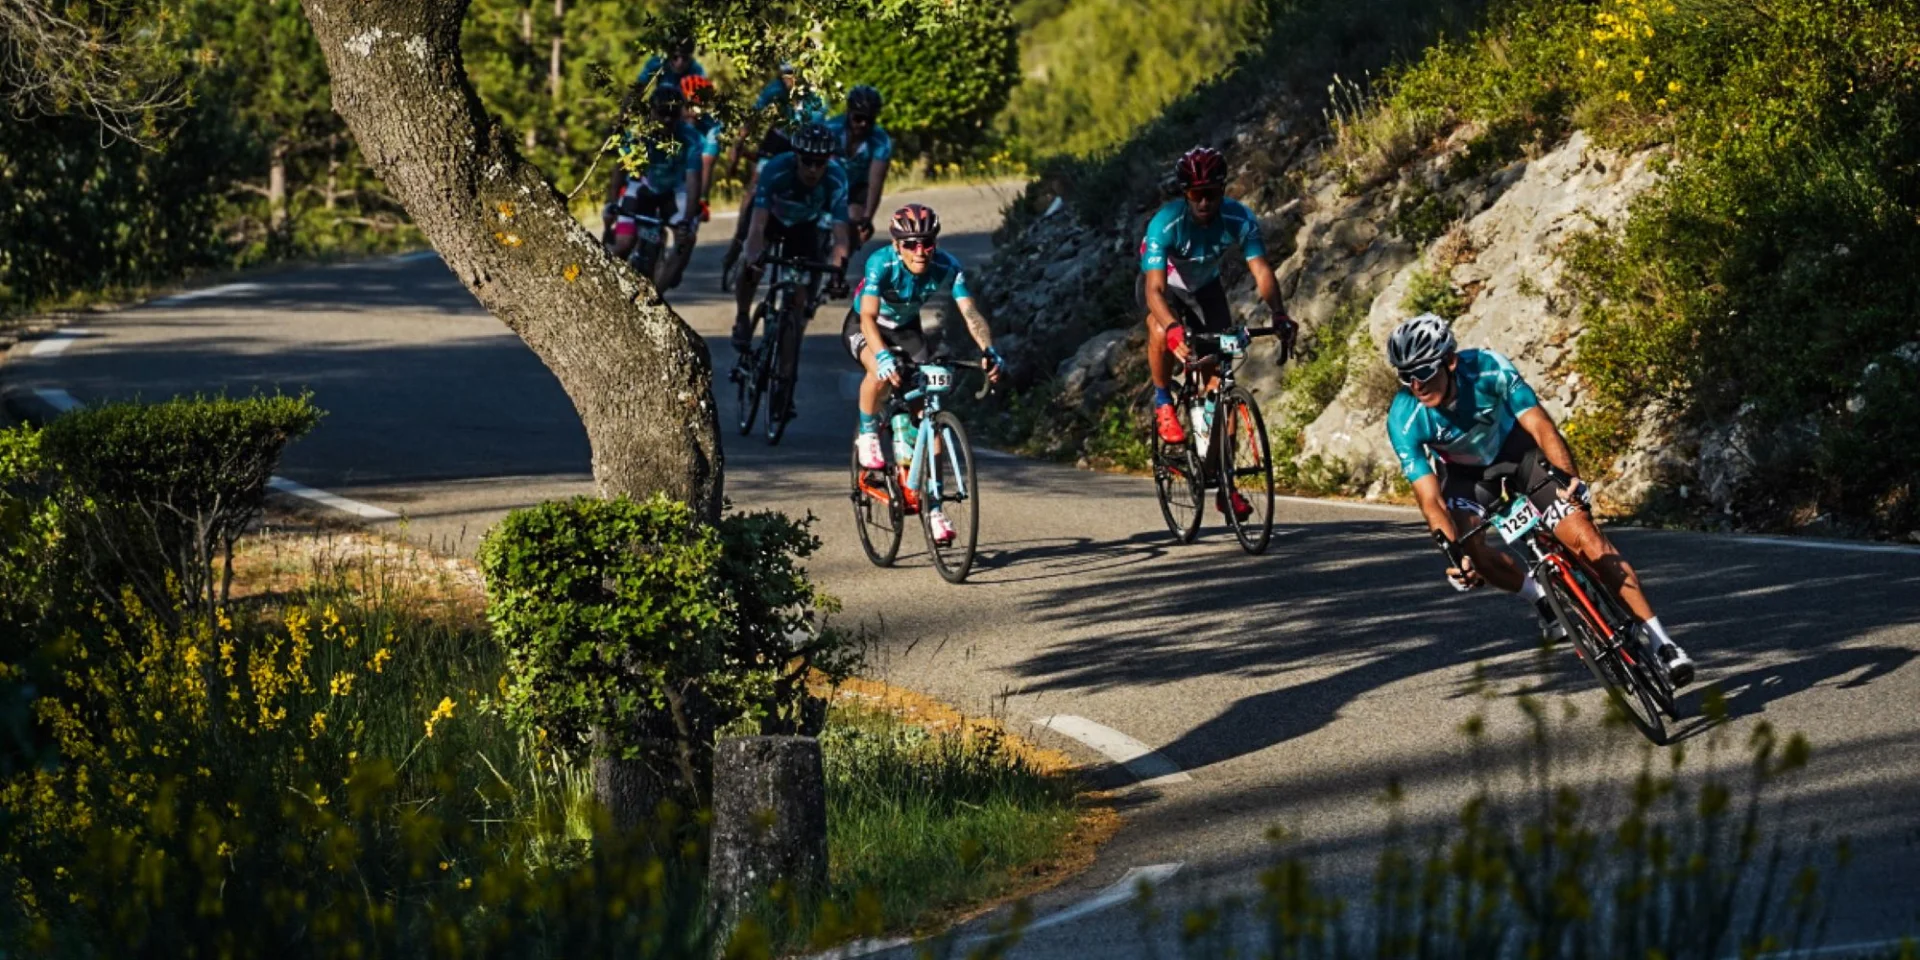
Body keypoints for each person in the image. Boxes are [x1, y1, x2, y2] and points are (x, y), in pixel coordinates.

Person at [1382, 313, 1697, 687]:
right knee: (1473, 549)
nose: (1416, 383)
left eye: (1425, 371)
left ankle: (1663, 643)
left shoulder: (1488, 368)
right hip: (1467, 478)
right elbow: (1430, 498)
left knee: (1589, 541)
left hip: (1519, 455)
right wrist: (1454, 554)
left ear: (1449, 360)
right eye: (1406, 375)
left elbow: (1539, 425)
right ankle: (1541, 600)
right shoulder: (1404, 418)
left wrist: (1567, 478)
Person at [1139, 145, 1297, 518]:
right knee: (1159, 329)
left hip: (1206, 290)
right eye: (1196, 194)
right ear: (1185, 195)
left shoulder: (1239, 218)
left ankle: (1226, 484)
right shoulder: (1166, 223)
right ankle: (1164, 400)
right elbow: (1154, 291)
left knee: (1220, 383)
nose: (1205, 202)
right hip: (1167, 289)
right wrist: (1175, 329)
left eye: (1212, 193)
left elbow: (1260, 270)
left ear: (1223, 191)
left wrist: (1279, 314)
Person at [846, 204, 1004, 544]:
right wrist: (884, 356)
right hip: (867, 327)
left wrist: (987, 350)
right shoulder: (881, 263)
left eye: (927, 243)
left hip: (906, 330)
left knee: (927, 413)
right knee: (878, 370)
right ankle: (869, 434)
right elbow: (867, 319)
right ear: (896, 244)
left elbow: (970, 312)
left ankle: (934, 510)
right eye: (911, 244)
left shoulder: (947, 266)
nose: (920, 252)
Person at [730, 121, 853, 409]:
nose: (813, 169)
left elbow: (840, 236)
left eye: (819, 162)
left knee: (796, 303)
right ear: (796, 156)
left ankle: (785, 381)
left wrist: (838, 272)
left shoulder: (836, 177)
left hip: (803, 227)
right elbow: (757, 227)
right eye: (807, 161)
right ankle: (742, 316)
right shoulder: (776, 168)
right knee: (749, 268)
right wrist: (752, 257)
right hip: (770, 220)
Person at [722, 64, 830, 281]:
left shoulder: (815, 99)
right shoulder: (774, 90)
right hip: (778, 142)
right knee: (757, 183)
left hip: (802, 146)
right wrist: (738, 144)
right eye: (785, 76)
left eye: (793, 76)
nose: (789, 80)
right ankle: (741, 234)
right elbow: (753, 118)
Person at [607, 85, 704, 280]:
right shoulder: (637, 134)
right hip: (642, 188)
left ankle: (659, 294)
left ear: (681, 113)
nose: (668, 119)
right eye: (662, 113)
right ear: (651, 111)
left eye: (673, 113)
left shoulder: (691, 138)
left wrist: (686, 221)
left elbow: (694, 182)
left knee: (687, 239)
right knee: (624, 244)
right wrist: (610, 202)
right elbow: (620, 169)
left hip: (673, 192)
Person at [826, 85, 893, 245]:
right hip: (829, 179)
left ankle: (840, 262)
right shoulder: (831, 129)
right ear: (848, 113)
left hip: (857, 186)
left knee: (854, 219)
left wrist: (867, 218)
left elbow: (875, 183)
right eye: (858, 118)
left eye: (869, 120)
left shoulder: (881, 141)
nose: (863, 124)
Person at [635, 37, 704, 94]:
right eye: (675, 57)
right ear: (669, 54)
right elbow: (636, 91)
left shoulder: (696, 70)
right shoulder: (657, 62)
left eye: (685, 58)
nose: (680, 63)